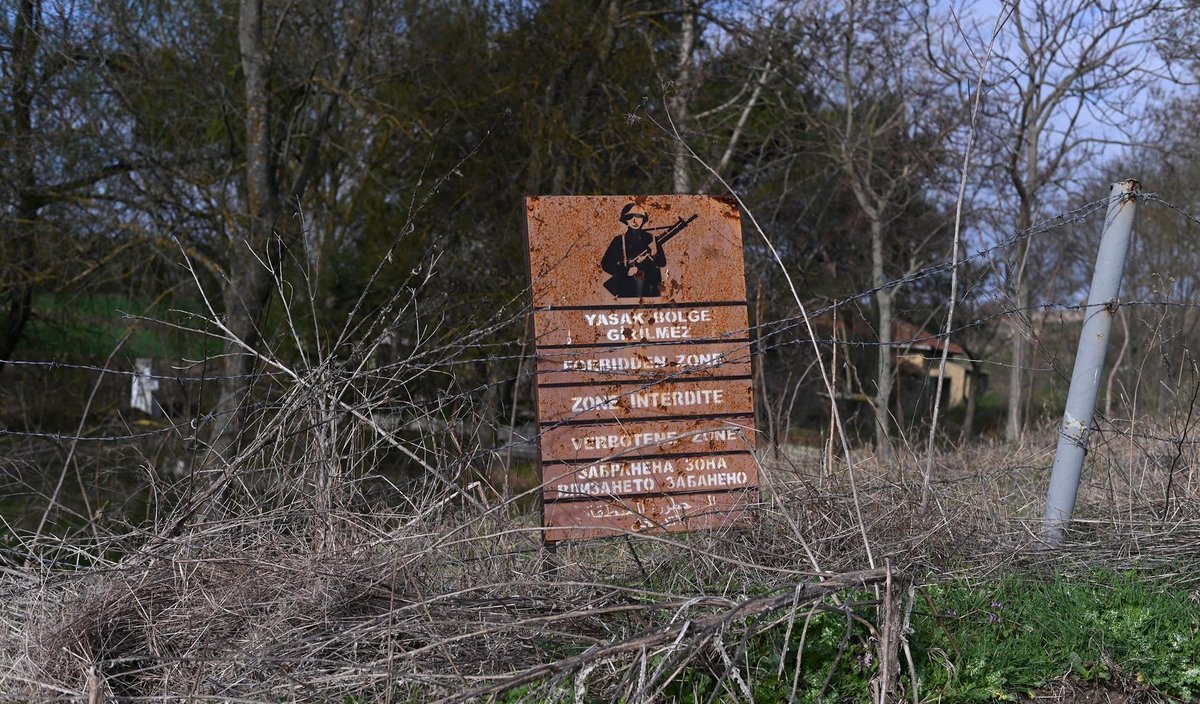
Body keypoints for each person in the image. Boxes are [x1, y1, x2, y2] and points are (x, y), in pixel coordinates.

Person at [600, 203, 666, 298]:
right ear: (625, 219)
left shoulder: (652, 239)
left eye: (639, 216)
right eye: (630, 216)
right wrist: (626, 271)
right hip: (627, 289)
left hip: (650, 288)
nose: (635, 220)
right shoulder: (619, 240)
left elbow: (662, 263)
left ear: (644, 219)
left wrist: (654, 256)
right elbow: (606, 264)